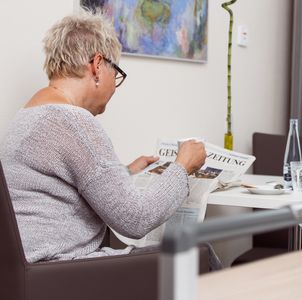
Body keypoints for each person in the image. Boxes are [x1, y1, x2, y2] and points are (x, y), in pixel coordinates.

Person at [0, 10, 209, 264]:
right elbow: (136, 220)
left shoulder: (30, 114)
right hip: (63, 272)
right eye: (116, 73)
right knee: (201, 256)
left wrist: (126, 172)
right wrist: (182, 166)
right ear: (97, 66)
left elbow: (58, 190)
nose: (115, 85)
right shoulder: (73, 121)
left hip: (30, 272)